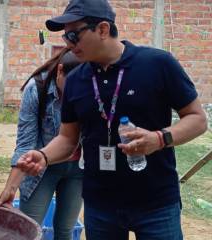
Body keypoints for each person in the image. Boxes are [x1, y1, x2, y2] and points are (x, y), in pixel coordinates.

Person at [16, 0, 208, 239]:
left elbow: (198, 119)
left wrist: (160, 139)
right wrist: (43, 156)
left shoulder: (157, 64)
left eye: (74, 35)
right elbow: (67, 139)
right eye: (66, 37)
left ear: (103, 29)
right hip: (100, 205)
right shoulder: (76, 80)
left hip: (156, 203)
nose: (68, 44)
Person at [0, 48, 83, 240]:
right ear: (60, 71)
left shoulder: (90, 87)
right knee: (29, 229)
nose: (74, 94)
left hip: (77, 169)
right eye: (70, 86)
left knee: (66, 229)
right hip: (41, 168)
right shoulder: (36, 89)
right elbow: (25, 143)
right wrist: (10, 187)